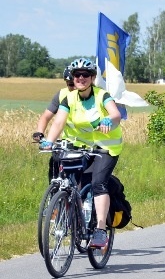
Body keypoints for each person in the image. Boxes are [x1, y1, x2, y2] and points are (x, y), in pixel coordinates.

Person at [40, 58, 123, 248]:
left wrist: (110, 120)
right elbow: (59, 122)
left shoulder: (102, 95)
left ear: (92, 78)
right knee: (74, 184)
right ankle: (78, 218)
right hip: (81, 148)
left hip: (106, 148)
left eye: (85, 75)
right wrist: (49, 141)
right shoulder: (69, 98)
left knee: (98, 184)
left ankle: (101, 230)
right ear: (73, 77)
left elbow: (116, 114)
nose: (81, 78)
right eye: (77, 75)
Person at [32, 65, 75, 180]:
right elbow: (46, 116)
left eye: (76, 84)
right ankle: (55, 193)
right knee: (55, 164)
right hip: (68, 142)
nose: (74, 87)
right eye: (70, 84)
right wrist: (39, 133)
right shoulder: (62, 95)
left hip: (88, 143)